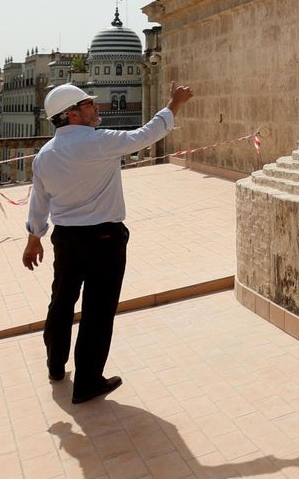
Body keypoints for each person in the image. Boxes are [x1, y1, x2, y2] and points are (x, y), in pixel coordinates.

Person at [21, 81, 194, 404]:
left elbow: (39, 202)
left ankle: (55, 365)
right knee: (97, 310)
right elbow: (146, 134)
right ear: (72, 114)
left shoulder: (45, 155)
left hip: (66, 239)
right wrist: (175, 103)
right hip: (103, 239)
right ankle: (87, 382)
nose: (96, 107)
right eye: (88, 104)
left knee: (61, 301)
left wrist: (34, 239)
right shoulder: (99, 142)